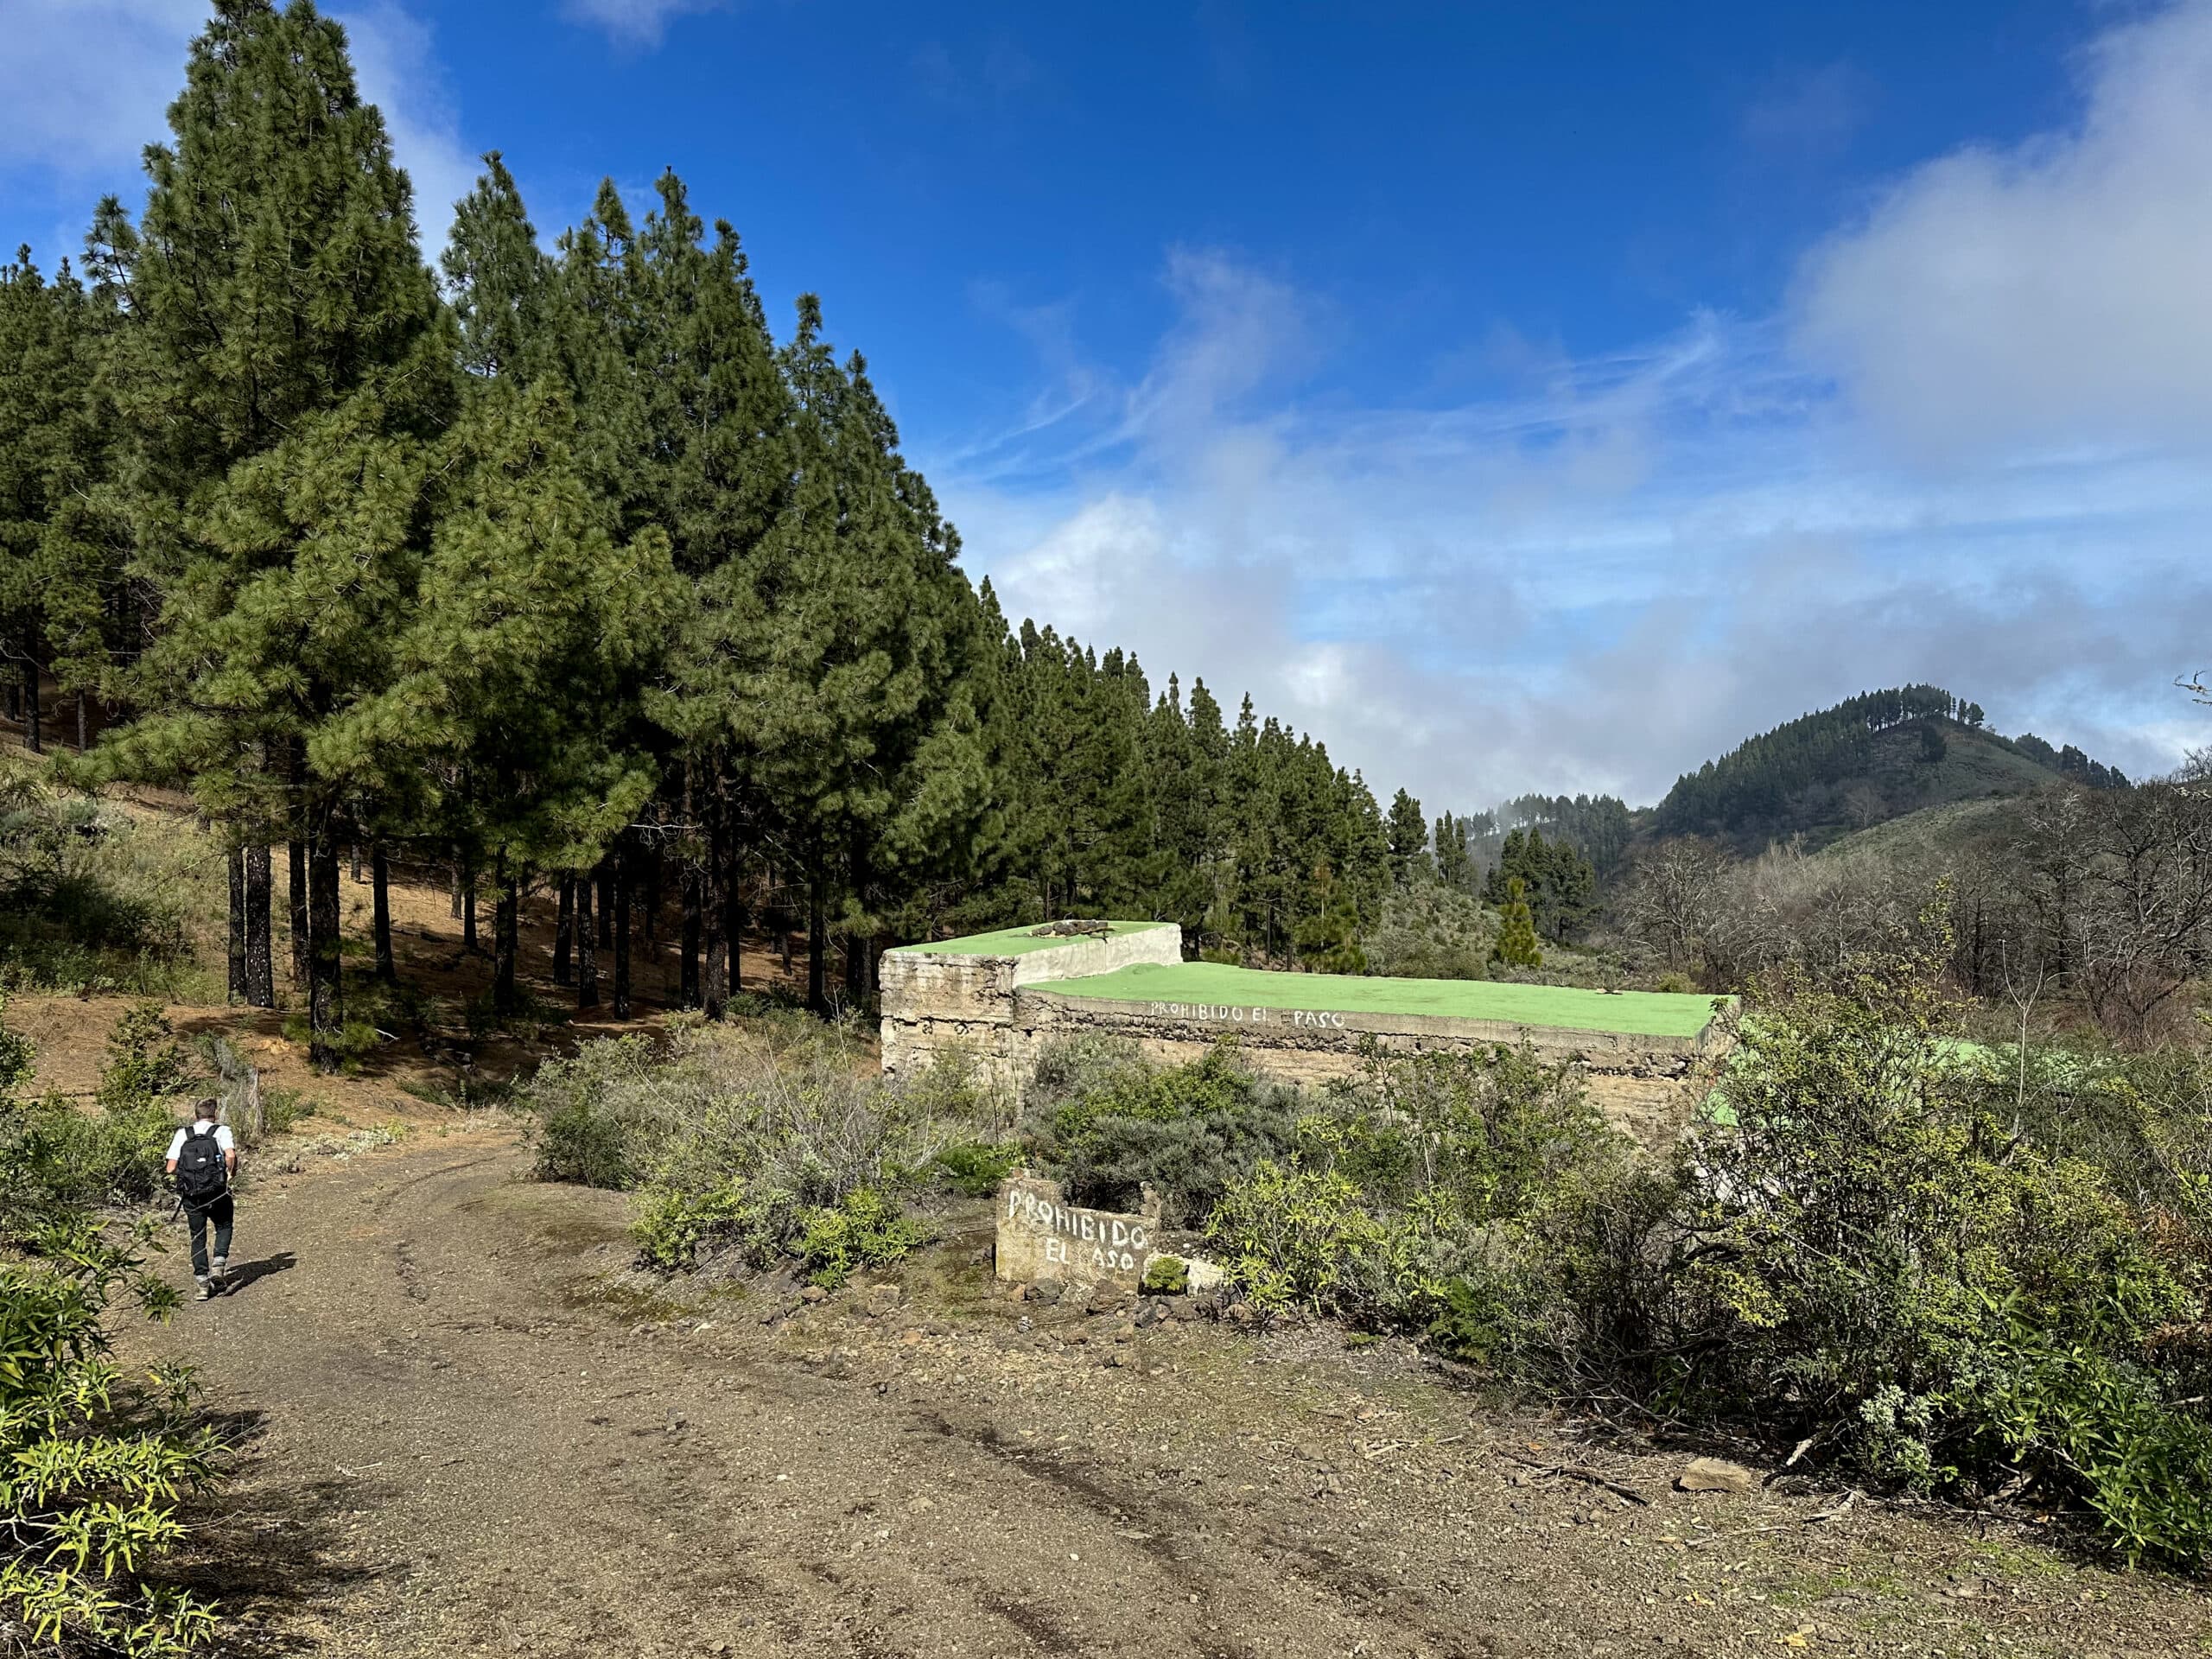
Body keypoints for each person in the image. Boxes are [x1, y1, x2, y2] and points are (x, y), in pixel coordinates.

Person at [165, 1101, 238, 1300]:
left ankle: (203, 1284)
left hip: (191, 1195)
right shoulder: (221, 1131)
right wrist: (229, 1174)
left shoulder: (183, 1133)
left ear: (196, 1114)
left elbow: (170, 1168)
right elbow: (230, 1155)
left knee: (197, 1236)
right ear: (215, 1114)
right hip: (216, 1191)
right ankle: (218, 1266)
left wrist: (188, 1177)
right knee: (224, 1225)